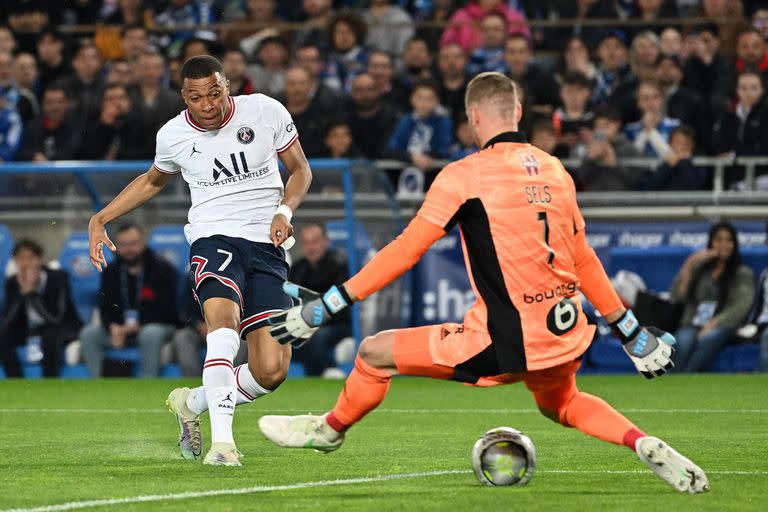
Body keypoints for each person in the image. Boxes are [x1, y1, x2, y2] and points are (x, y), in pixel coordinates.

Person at [259, 72, 709, 494]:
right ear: (518, 110)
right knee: (561, 403)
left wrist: (330, 304)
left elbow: (406, 249)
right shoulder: (555, 169)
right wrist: (631, 333)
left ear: (474, 117)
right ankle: (640, 441)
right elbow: (584, 259)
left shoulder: (464, 174)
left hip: (503, 339)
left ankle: (330, 431)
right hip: (565, 330)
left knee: (374, 353)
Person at [87, 55, 312, 466]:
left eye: (214, 93)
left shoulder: (264, 110)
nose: (207, 105)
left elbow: (300, 171)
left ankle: (193, 401)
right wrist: (102, 216)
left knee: (271, 371)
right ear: (183, 97)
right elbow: (153, 180)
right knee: (222, 328)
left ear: (228, 86)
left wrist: (285, 212)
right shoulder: (173, 135)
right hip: (213, 239)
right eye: (195, 97)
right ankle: (223, 446)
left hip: (267, 245)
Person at [80, 224, 178, 378]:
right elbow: (105, 308)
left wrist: (131, 328)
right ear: (116, 247)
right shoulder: (111, 271)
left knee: (150, 334)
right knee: (89, 334)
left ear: (143, 243)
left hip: (155, 327)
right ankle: (98, 385)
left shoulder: (162, 269)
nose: (129, 250)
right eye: (123, 245)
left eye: (133, 243)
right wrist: (113, 328)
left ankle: (149, 384)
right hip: (120, 330)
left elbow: (168, 311)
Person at [669, 221, 755, 373]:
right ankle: (671, 383)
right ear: (711, 242)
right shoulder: (700, 268)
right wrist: (690, 264)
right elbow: (677, 296)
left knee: (709, 339)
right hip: (693, 323)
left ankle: (686, 381)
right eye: (718, 239)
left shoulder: (742, 273)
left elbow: (741, 306)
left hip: (723, 324)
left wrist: (713, 324)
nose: (723, 244)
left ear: (734, 244)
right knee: (682, 342)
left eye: (729, 240)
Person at [0, 239, 82, 377]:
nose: (26, 264)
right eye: (21, 259)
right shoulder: (12, 282)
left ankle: (49, 382)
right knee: (2, 336)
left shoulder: (58, 278)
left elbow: (56, 318)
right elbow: (8, 321)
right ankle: (17, 382)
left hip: (61, 327)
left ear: (39, 259)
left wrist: (32, 294)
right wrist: (22, 294)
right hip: (28, 329)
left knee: (51, 336)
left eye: (31, 258)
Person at [288, 224, 351, 376]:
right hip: (303, 323)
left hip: (336, 325)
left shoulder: (339, 266)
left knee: (319, 338)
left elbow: (341, 307)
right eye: (306, 242)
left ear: (326, 241)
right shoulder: (298, 269)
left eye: (315, 241)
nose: (311, 247)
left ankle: (321, 373)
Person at [623, 80, 681, 158]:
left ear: (662, 99)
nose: (650, 102)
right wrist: (645, 131)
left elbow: (674, 159)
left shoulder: (676, 126)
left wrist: (650, 130)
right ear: (638, 102)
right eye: (645, 98)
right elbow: (632, 159)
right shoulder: (629, 130)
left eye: (655, 97)